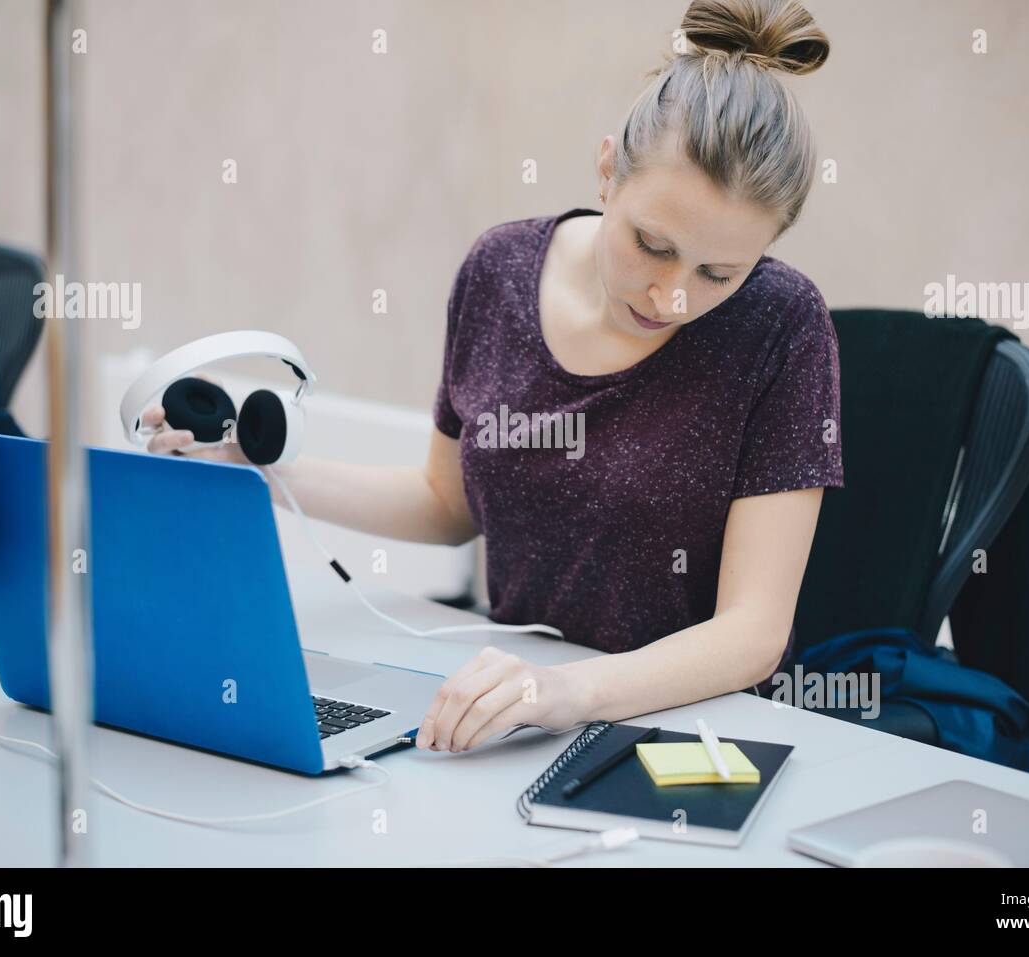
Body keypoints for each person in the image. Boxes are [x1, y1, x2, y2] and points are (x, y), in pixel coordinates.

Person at [144, 0, 842, 755]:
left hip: (696, 733)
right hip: (515, 714)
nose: (672, 295)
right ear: (608, 169)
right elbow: (448, 503)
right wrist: (259, 467)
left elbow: (752, 635)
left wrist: (571, 692)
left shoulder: (784, 325)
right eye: (650, 243)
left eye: (719, 273)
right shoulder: (499, 272)